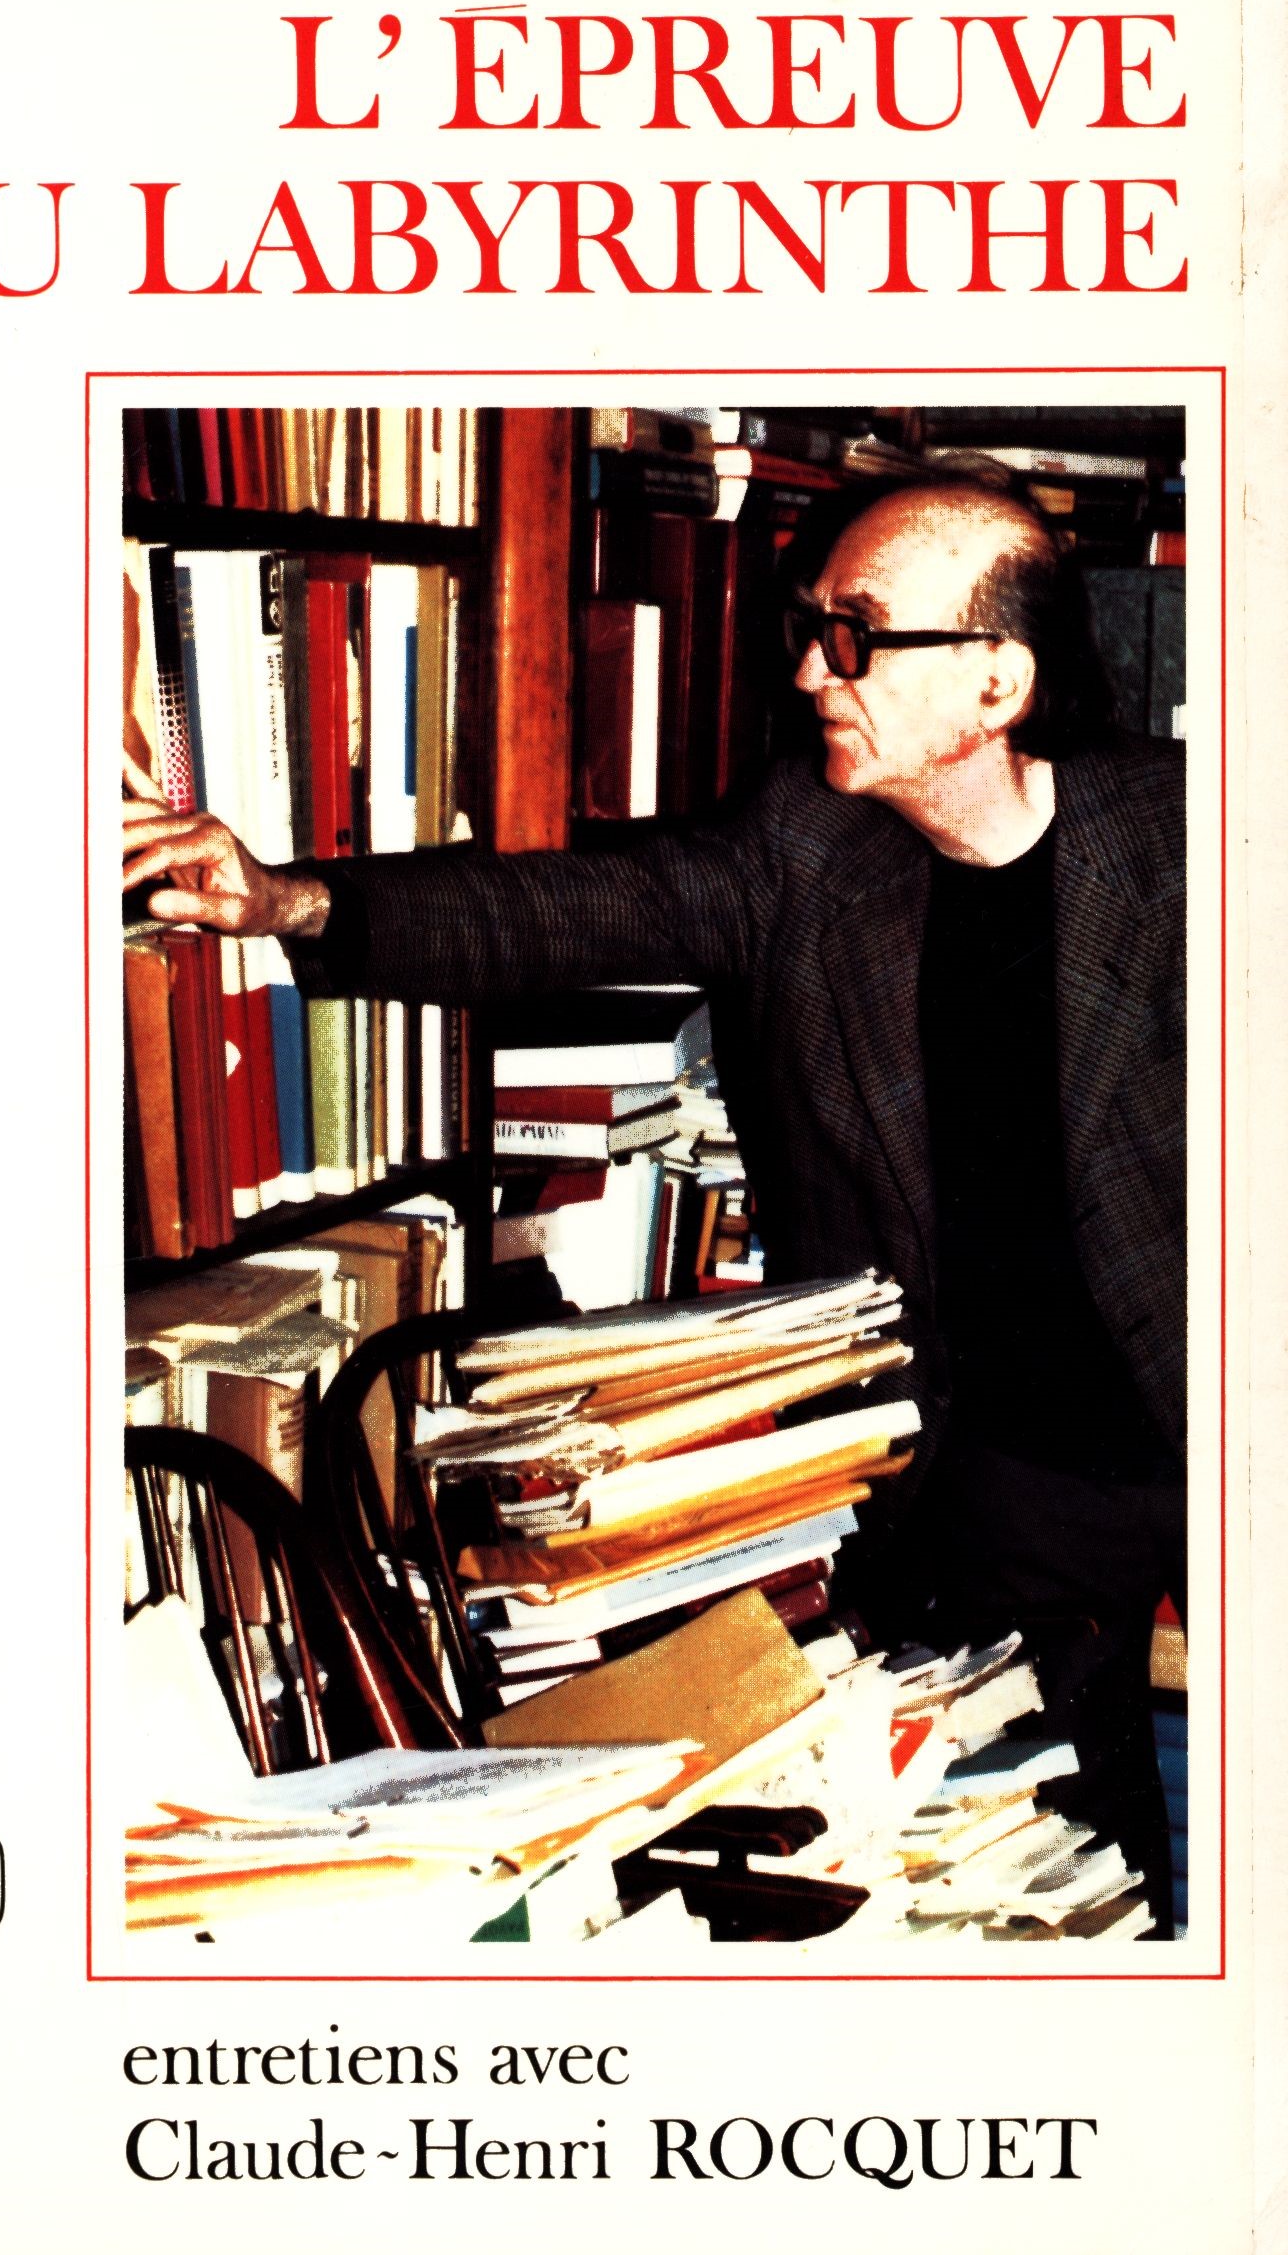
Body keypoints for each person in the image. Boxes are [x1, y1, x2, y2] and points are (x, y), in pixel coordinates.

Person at [123, 482, 1186, 1931]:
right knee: (1065, 1858)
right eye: (813, 628)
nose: (809, 671)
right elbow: (566, 908)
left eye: (857, 636)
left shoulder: (1197, 844)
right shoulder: (810, 848)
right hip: (1000, 1474)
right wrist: (283, 901)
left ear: (997, 682)